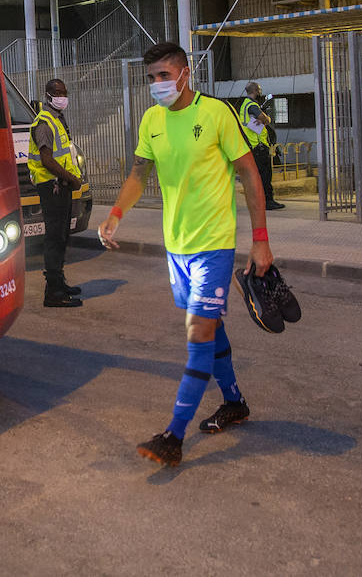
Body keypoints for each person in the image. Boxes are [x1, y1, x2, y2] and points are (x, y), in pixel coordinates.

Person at [98, 41, 274, 468]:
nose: (158, 84)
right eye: (151, 77)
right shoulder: (152, 120)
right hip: (176, 248)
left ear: (185, 72)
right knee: (210, 328)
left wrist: (261, 238)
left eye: (164, 75)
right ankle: (234, 402)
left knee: (198, 335)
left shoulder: (215, 114)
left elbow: (249, 173)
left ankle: (173, 436)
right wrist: (116, 213)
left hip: (213, 243)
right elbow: (139, 173)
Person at [27, 78, 85, 308]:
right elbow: (47, 159)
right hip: (52, 186)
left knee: (62, 236)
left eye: (64, 92)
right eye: (58, 92)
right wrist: (71, 178)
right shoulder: (44, 122)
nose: (62, 96)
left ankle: (60, 284)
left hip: (61, 186)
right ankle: (53, 293)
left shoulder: (56, 119)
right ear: (48, 95)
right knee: (54, 238)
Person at [240, 81, 283, 210]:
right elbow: (264, 118)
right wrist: (266, 118)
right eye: (259, 90)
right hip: (258, 146)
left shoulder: (244, 105)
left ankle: (258, 202)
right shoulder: (252, 105)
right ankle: (268, 201)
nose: (260, 92)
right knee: (265, 176)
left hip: (251, 147)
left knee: (256, 176)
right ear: (255, 91)